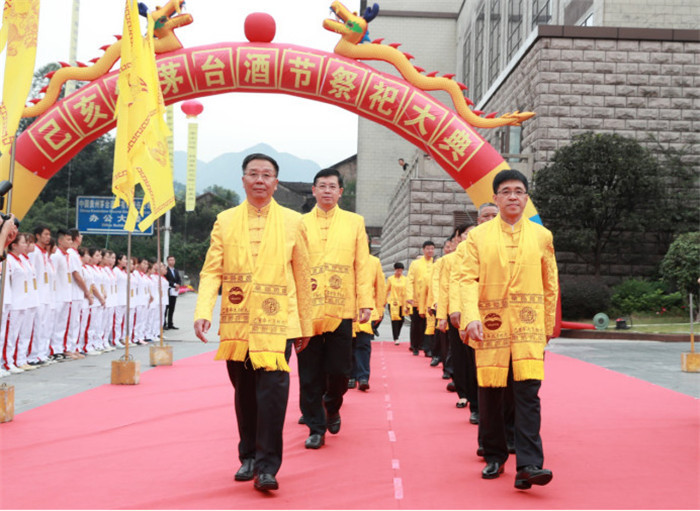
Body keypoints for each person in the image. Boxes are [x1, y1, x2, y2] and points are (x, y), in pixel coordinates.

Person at [194, 152, 312, 492]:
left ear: (276, 182)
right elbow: (212, 269)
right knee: (244, 392)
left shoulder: (294, 221)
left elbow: (302, 275)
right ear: (243, 180)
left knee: (273, 395)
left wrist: (304, 324)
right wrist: (203, 311)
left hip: (279, 323)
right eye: (253, 174)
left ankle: (266, 468)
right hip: (238, 322)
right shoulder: (225, 220)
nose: (260, 180)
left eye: (266, 175)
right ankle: (247, 456)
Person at [456, 169, 558, 490]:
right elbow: (466, 279)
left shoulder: (542, 236)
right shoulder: (478, 237)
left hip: (529, 328)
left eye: (519, 191)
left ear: (526, 198)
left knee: (528, 395)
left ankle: (529, 464)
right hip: (491, 328)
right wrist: (470, 315)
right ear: (496, 198)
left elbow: (550, 284)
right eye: (506, 191)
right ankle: (495, 455)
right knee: (491, 394)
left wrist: (545, 328)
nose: (513, 196)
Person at [298, 167, 372, 450]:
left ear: (341, 192)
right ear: (313, 191)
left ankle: (332, 403)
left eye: (332, 186)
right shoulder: (300, 223)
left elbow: (362, 263)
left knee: (341, 371)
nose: (327, 191)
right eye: (322, 186)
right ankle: (315, 426)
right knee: (309, 371)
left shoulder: (355, 222)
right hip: (309, 309)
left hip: (342, 308)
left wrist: (365, 301)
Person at [349, 244, 386, 391]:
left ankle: (363, 377)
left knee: (363, 345)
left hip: (366, 310)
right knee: (349, 346)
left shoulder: (374, 262)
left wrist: (380, 309)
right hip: (348, 311)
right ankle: (351, 376)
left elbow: (380, 287)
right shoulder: (346, 260)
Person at [406, 241, 435, 356]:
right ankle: (415, 345)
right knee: (416, 324)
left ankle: (426, 346)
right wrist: (409, 296)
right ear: (423, 250)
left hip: (429, 300)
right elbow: (410, 280)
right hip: (416, 299)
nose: (430, 251)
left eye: (432, 249)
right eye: (428, 248)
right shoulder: (415, 264)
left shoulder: (436, 263)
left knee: (428, 323)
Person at [386, 262, 407, 345]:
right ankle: (396, 338)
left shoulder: (405, 279)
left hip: (402, 302)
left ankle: (397, 334)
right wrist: (384, 300)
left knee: (402, 320)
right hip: (393, 302)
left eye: (401, 270)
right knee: (395, 320)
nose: (399, 272)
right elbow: (387, 290)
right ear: (395, 270)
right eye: (398, 270)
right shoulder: (391, 279)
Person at [164, 255, 181, 329]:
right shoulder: (166, 270)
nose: (172, 261)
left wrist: (178, 285)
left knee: (172, 308)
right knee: (166, 308)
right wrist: (174, 284)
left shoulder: (176, 270)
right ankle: (164, 324)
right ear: (167, 261)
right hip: (168, 291)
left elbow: (179, 279)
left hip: (174, 291)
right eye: (170, 260)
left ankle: (170, 323)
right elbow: (167, 280)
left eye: (173, 260)